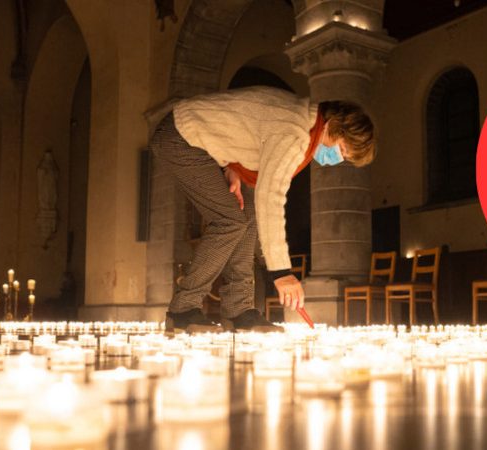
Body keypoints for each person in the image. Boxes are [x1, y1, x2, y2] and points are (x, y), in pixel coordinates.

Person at [152, 86, 376, 333]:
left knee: (247, 217)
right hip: (180, 136)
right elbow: (270, 195)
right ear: (334, 126)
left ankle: (238, 310)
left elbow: (243, 127)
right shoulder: (295, 132)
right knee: (230, 220)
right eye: (342, 150)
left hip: (197, 140)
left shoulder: (299, 116)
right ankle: (182, 309)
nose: (337, 158)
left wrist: (231, 167)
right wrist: (281, 272)